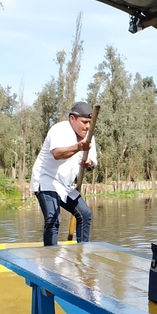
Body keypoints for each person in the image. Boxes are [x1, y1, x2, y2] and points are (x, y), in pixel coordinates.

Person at [30, 102, 97, 246]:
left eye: (89, 123)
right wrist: (78, 147)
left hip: (65, 185)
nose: (87, 126)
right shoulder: (59, 130)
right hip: (46, 180)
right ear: (72, 119)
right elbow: (57, 154)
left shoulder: (89, 137)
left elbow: (92, 165)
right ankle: (50, 256)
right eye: (84, 122)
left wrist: (89, 164)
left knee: (85, 214)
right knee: (53, 220)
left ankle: (82, 252)